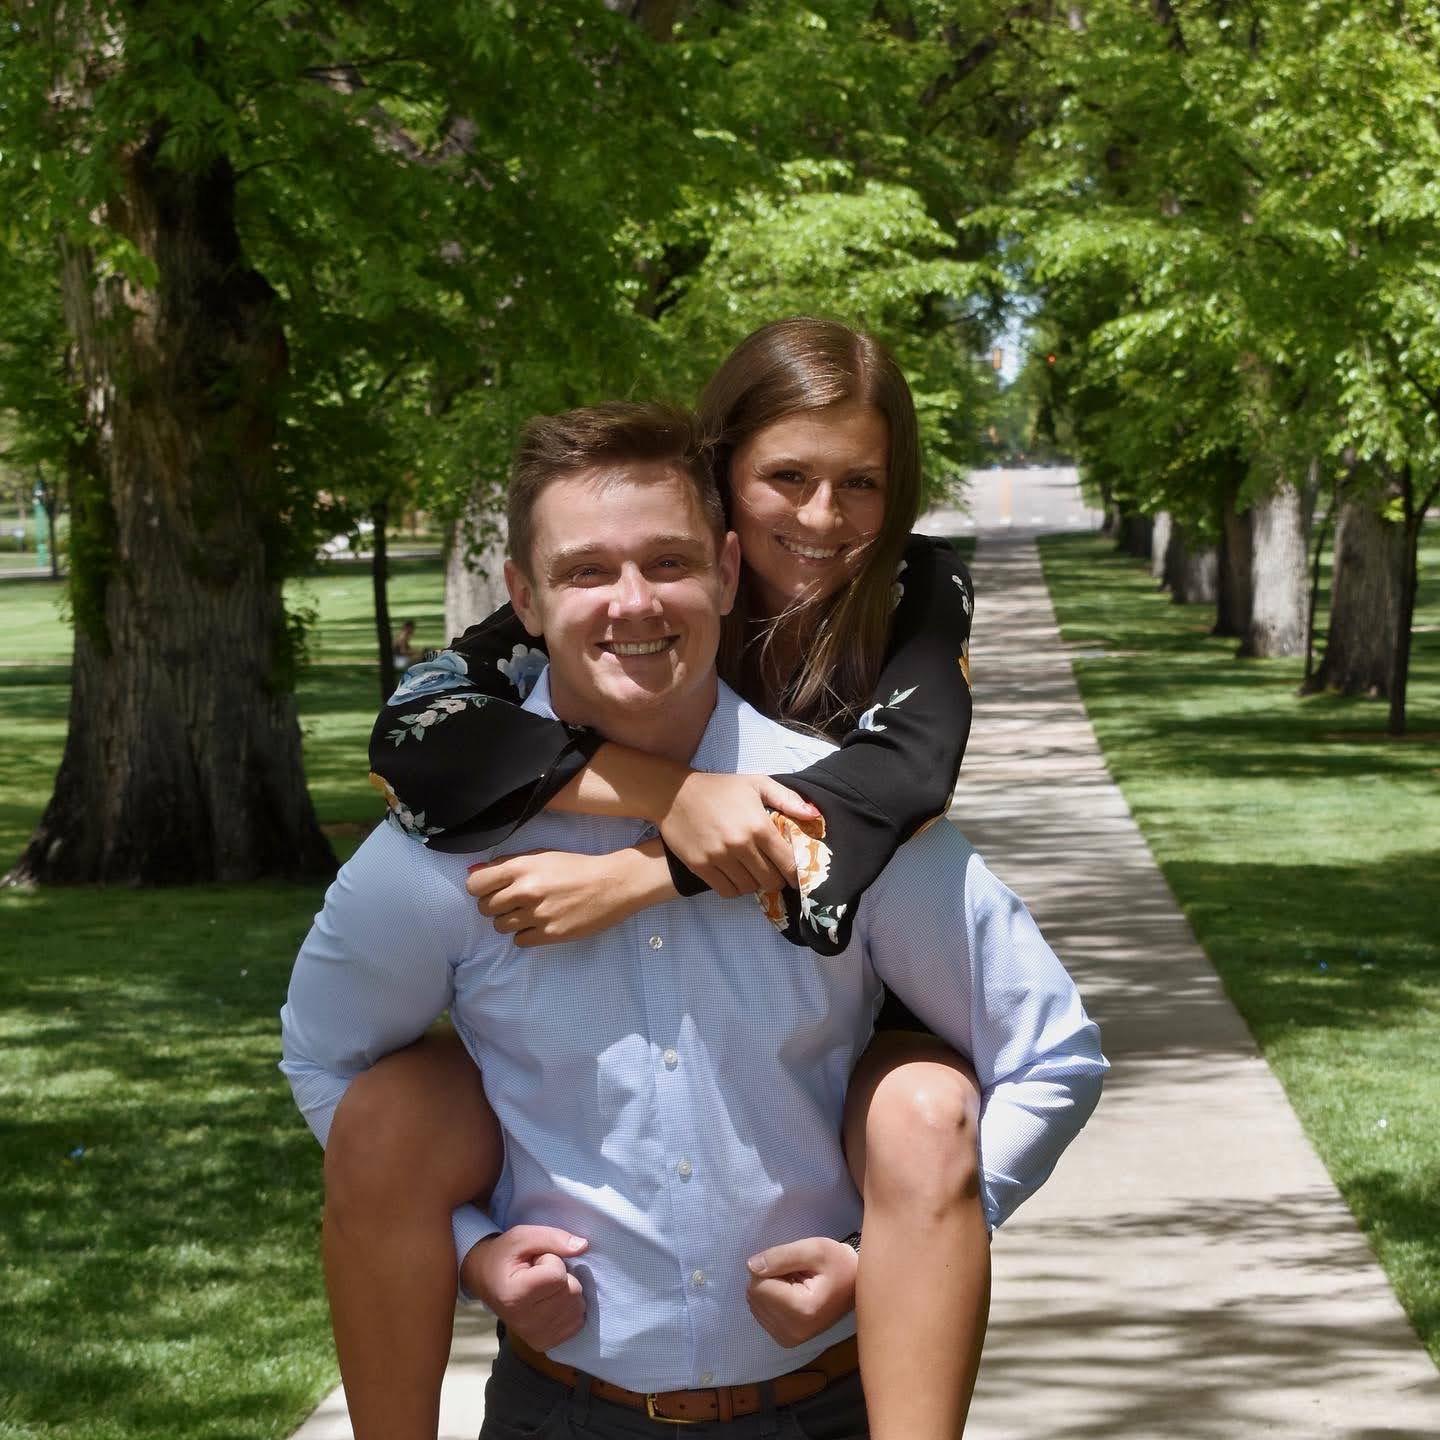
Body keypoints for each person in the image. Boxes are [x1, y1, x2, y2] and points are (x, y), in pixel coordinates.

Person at [282, 402, 1106, 1440]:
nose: (632, 602)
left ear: (724, 570)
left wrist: (881, 1255)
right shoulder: (439, 851)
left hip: (828, 1404)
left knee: (927, 1105)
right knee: (391, 1108)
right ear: (524, 598)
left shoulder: (837, 811)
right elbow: (325, 1062)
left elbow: (1052, 1053)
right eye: (587, 572)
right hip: (560, 1413)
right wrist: (468, 1248)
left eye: (667, 562)